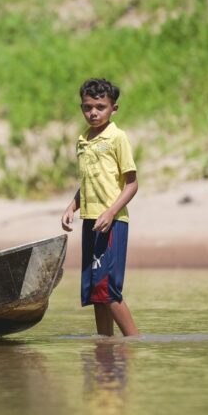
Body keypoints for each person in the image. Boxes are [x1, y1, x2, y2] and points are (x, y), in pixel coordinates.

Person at [61, 78, 139, 337]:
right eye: (87, 107)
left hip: (112, 223)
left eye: (100, 107)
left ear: (113, 109)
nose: (93, 112)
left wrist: (111, 212)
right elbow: (88, 182)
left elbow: (132, 184)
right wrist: (72, 206)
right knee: (95, 291)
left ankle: (134, 343)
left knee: (108, 290)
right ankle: (105, 347)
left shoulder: (117, 138)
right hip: (90, 222)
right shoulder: (82, 140)